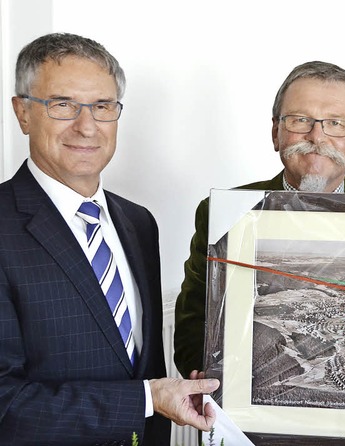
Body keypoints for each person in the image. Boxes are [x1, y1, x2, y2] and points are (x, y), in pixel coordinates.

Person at [0, 33, 219, 446]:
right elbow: (5, 404)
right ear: (23, 112)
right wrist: (147, 399)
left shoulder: (138, 223)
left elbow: (140, 364)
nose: (87, 127)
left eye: (102, 107)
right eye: (63, 105)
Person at [174, 60, 345, 379]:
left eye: (337, 123)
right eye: (300, 120)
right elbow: (193, 324)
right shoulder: (225, 214)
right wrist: (213, 381)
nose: (317, 136)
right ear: (276, 133)